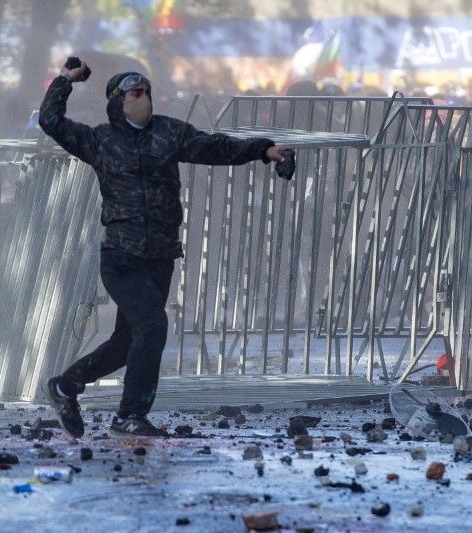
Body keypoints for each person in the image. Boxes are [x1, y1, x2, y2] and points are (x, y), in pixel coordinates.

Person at [39, 57, 291, 438]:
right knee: (153, 326)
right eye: (133, 94)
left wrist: (264, 150)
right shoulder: (99, 141)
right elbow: (51, 121)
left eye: (145, 93)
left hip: (159, 258)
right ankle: (129, 416)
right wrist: (65, 80)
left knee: (128, 342)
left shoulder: (168, 134)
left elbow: (215, 148)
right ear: (116, 102)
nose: (142, 99)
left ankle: (65, 386)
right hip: (121, 258)